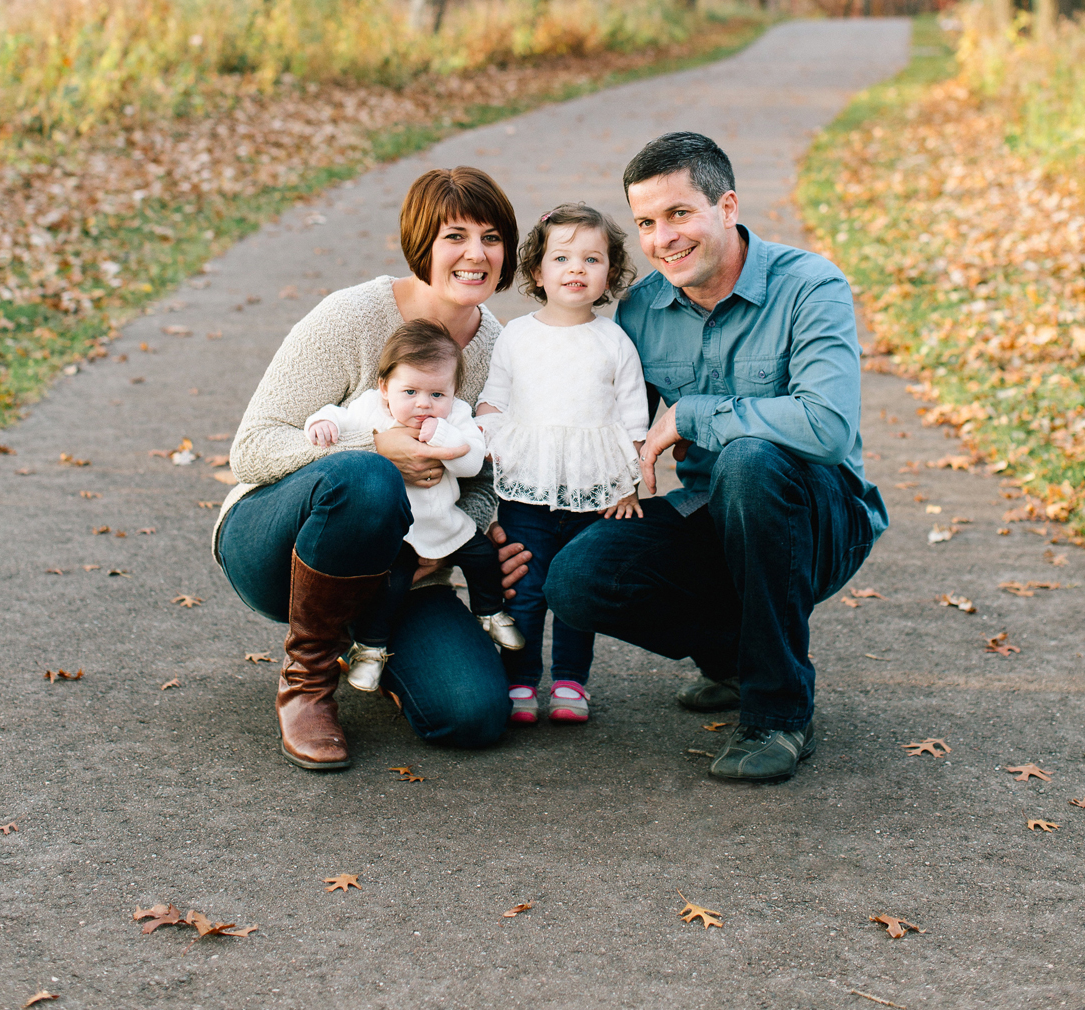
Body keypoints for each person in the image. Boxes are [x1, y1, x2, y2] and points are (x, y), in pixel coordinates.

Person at [544, 132, 888, 782]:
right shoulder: (643, 309)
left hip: (819, 520)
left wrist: (695, 414)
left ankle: (778, 713)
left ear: (727, 206)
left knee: (750, 460)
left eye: (679, 214)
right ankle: (737, 657)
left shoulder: (809, 286)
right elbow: (608, 429)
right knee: (577, 578)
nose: (662, 238)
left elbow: (828, 428)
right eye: (646, 222)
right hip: (712, 514)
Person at [213, 166, 531, 771]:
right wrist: (373, 443)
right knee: (368, 477)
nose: (476, 254)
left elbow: (490, 476)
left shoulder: (501, 350)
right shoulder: (352, 318)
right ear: (422, 245)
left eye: (492, 237)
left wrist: (464, 534)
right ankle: (306, 684)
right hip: (277, 543)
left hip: (410, 570)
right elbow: (252, 446)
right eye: (454, 236)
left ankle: (371, 645)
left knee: (471, 714)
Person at [477, 203, 648, 726]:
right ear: (538, 272)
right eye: (562, 258)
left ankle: (572, 683)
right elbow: (493, 400)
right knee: (524, 591)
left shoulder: (613, 341)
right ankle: (520, 682)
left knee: (577, 593)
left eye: (592, 259)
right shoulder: (517, 335)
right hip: (526, 489)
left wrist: (629, 485)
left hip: (594, 493)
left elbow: (633, 418)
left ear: (609, 274)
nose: (577, 268)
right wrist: (484, 444)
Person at [304, 318, 523, 692]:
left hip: (446, 521)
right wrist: (322, 423)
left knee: (483, 556)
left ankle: (490, 611)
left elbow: (472, 463)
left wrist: (443, 435)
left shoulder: (455, 417)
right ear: (385, 388)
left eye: (437, 394)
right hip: (398, 534)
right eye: (410, 392)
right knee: (393, 586)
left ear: (453, 392)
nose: (424, 404)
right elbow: (336, 416)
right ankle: (370, 651)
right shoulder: (371, 409)